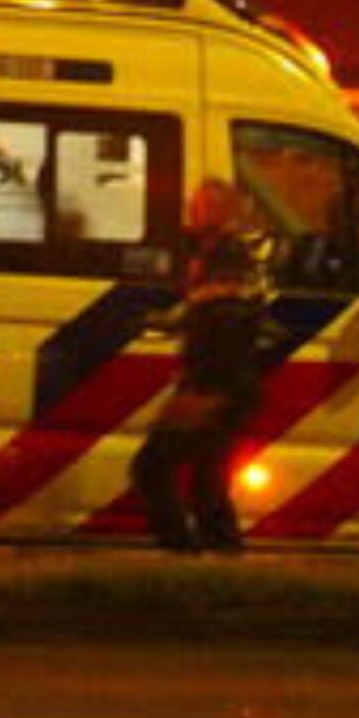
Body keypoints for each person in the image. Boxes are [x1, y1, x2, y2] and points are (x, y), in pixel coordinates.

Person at [128, 179, 275, 555]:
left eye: (204, 206)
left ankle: (182, 552)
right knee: (207, 486)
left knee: (150, 469)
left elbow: (225, 327)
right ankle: (221, 557)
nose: (193, 212)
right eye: (194, 204)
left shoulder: (227, 258)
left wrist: (200, 393)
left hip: (217, 385)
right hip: (226, 384)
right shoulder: (219, 253)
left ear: (224, 212)